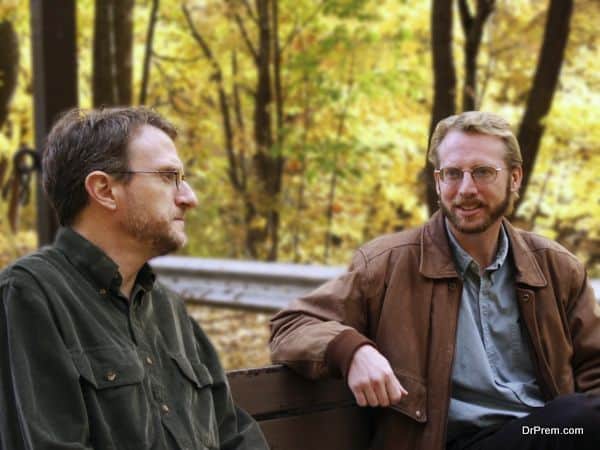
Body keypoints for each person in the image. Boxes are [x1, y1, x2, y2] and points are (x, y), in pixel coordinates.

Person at [270, 111, 600, 450]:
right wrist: (353, 351)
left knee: (575, 421)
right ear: (438, 181)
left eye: (483, 172)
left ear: (515, 178)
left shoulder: (556, 268)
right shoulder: (386, 265)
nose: (466, 189)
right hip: (452, 443)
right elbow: (291, 325)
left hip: (540, 435)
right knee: (578, 420)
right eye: (453, 174)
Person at [0, 107, 268, 450]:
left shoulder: (167, 307)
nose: (189, 198)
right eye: (168, 177)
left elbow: (235, 435)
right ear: (104, 190)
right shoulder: (30, 294)